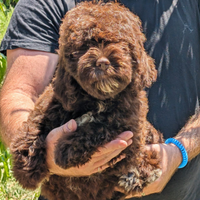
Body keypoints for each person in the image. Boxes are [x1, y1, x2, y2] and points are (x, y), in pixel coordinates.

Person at [1, 0, 200, 199]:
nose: (102, 59)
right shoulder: (47, 4)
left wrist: (178, 151)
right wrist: (42, 153)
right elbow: (18, 94)